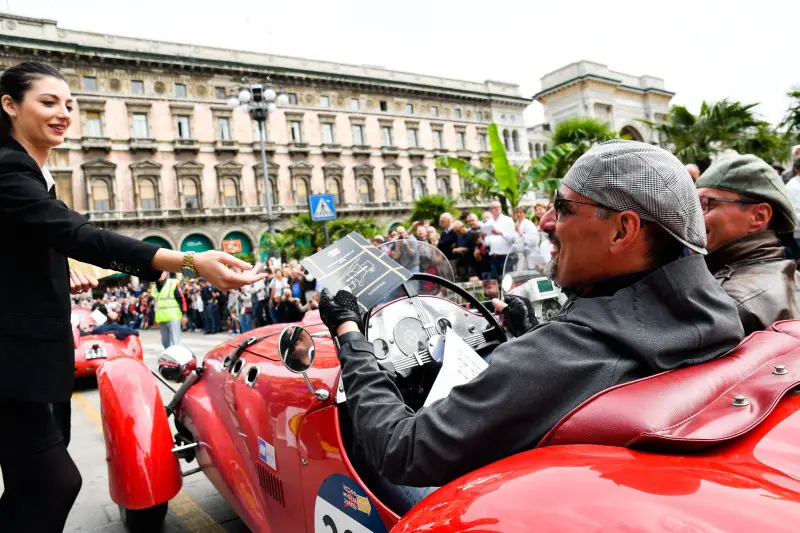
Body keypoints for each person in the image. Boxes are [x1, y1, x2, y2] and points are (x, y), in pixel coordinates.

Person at [318, 140, 743, 511]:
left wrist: (350, 336)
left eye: (563, 208)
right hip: (628, 495)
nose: (544, 223)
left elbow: (403, 449)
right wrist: (528, 336)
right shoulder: (720, 316)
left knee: (360, 440)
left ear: (622, 231)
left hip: (534, 499)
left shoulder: (561, 355)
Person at [0, 61, 267, 533]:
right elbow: (80, 235)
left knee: (29, 486)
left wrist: (59, 273)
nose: (63, 113)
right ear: (9, 105)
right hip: (13, 364)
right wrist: (189, 262)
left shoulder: (33, 174)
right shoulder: (6, 169)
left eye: (69, 104)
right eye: (47, 102)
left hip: (36, 360)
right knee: (53, 484)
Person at [695, 154, 800, 333]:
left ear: (758, 217)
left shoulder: (728, 303)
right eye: (693, 205)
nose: (693, 216)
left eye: (706, 204)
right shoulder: (791, 275)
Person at [481, 200, 516, 280]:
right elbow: (487, 243)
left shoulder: (508, 220)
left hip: (505, 256)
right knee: (495, 281)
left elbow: (513, 238)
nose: (497, 209)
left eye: (498, 207)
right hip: (493, 256)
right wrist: (483, 238)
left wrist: (501, 233)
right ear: (491, 210)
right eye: (494, 207)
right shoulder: (489, 222)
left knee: (508, 281)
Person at [151, 271, 186, 349]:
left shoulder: (173, 283)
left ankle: (178, 358)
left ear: (166, 273)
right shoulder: (154, 287)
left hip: (173, 317)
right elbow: (156, 304)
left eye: (162, 272)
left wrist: (184, 314)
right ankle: (169, 359)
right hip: (161, 318)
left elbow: (181, 299)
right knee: (165, 342)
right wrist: (155, 318)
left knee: (175, 341)